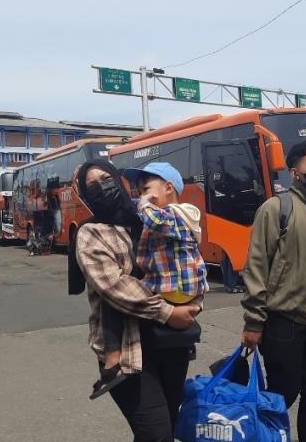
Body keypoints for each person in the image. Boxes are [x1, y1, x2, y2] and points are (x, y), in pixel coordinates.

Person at [68, 160, 200, 441]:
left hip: (171, 343)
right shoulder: (91, 232)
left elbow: (186, 263)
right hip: (129, 352)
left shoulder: (153, 219)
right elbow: (114, 285)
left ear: (118, 180)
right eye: (91, 185)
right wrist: (166, 311)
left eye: (106, 178)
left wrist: (196, 303)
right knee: (157, 433)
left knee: (167, 425)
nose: (101, 186)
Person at [240, 139, 306, 442]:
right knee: (281, 396)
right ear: (295, 172)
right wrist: (254, 322)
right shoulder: (276, 209)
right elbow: (256, 267)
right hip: (284, 322)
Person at [89, 163, 208, 399]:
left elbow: (153, 219)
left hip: (171, 288)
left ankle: (113, 361)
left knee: (118, 292)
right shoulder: (167, 212)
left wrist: (144, 203)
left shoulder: (179, 213)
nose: (141, 196)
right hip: (180, 290)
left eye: (145, 189)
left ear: (168, 187)